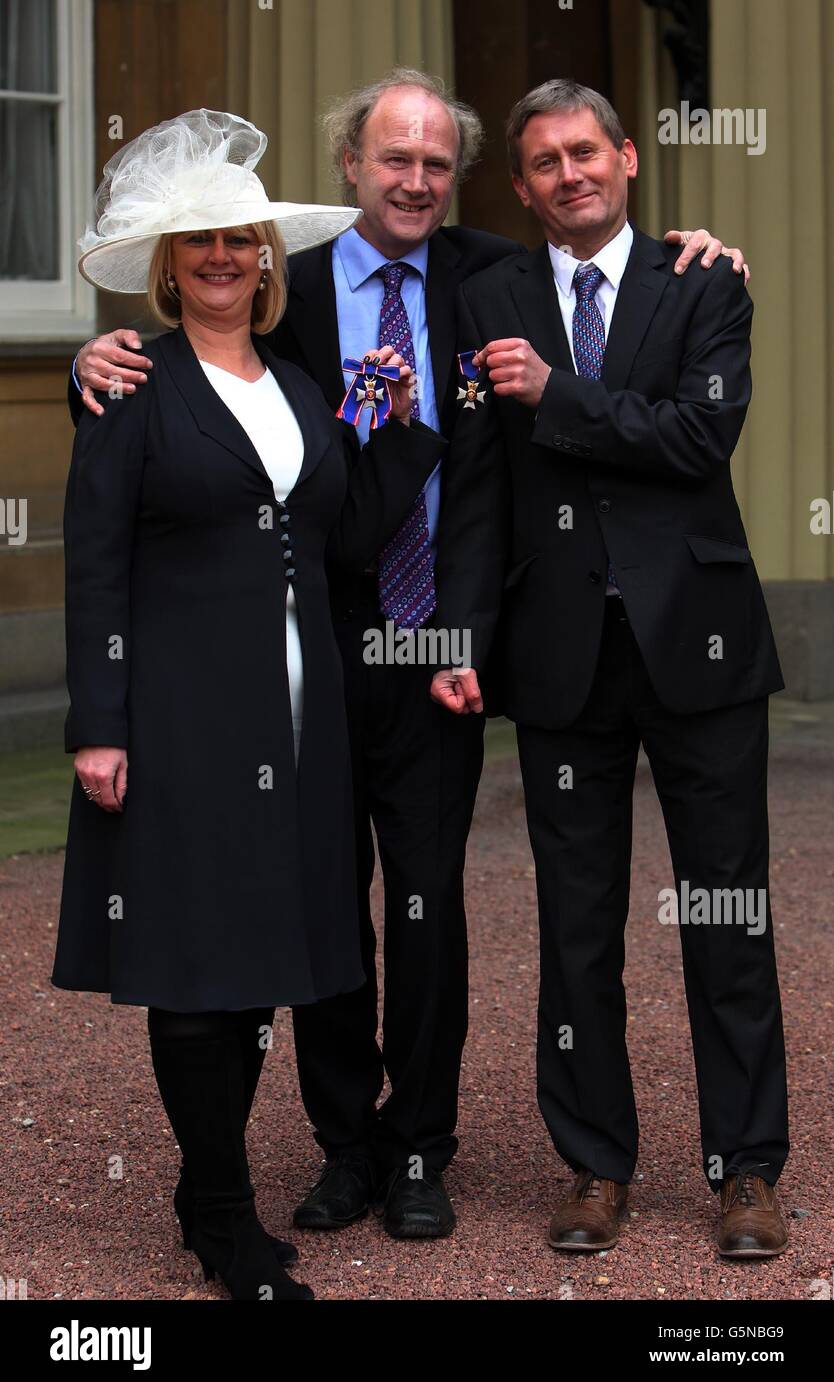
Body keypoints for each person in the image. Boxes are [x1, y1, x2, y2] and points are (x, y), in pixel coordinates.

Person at [66, 70, 749, 1242]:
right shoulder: (292, 286)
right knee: (328, 903)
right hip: (312, 654)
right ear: (350, 165)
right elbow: (203, 375)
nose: (417, 181)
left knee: (430, 911)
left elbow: (596, 294)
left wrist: (698, 244)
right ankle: (348, 1145)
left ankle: (423, 1143)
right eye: (395, 159)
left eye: (438, 163)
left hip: (444, 646)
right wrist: (92, 364)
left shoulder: (498, 275)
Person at [51, 108, 445, 1301]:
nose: (222, 256)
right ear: (170, 268)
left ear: (265, 258)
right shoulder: (130, 385)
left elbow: (349, 541)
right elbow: (94, 560)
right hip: (178, 717)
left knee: (270, 956)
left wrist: (400, 429)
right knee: (195, 962)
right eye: (199, 243)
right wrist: (99, 722)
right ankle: (223, 1217)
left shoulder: (303, 386)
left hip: (300, 717)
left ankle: (201, 1183)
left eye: (239, 239)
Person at [433, 80, 789, 1259]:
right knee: (575, 924)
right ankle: (592, 1162)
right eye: (542, 162)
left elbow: (698, 439)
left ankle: (745, 1169)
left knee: (724, 912)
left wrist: (562, 396)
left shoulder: (706, 280)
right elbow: (479, 489)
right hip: (559, 659)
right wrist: (461, 636)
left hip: (703, 645)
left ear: (628, 158)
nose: (567, 174)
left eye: (585, 151)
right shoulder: (487, 294)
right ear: (523, 184)